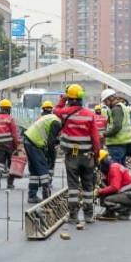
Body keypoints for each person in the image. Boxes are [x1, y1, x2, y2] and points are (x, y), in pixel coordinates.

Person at [55, 84, 101, 226]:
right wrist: (97, 155)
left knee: (73, 186)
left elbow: (55, 110)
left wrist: (62, 100)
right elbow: (95, 137)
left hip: (72, 157)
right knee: (88, 186)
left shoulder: (64, 112)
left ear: (70, 98)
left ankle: (73, 216)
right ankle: (88, 216)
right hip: (87, 156)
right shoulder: (89, 114)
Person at [23, 111, 62, 204]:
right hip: (34, 143)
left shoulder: (51, 117)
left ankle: (32, 196)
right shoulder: (56, 122)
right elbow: (51, 143)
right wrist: (52, 158)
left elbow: (50, 138)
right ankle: (46, 191)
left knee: (35, 171)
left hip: (28, 140)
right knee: (43, 166)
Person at [96, 150, 131, 220]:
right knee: (104, 191)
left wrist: (100, 191)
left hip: (129, 195)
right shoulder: (112, 168)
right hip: (127, 194)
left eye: (99, 165)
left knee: (107, 200)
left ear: (103, 162)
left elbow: (114, 187)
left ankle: (127, 210)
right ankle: (109, 212)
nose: (99, 169)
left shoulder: (114, 169)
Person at [101, 89, 131, 168]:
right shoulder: (122, 107)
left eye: (106, 101)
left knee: (116, 169)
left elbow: (117, 127)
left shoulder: (116, 109)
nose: (105, 104)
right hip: (122, 143)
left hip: (116, 144)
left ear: (111, 98)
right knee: (121, 168)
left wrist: (104, 134)